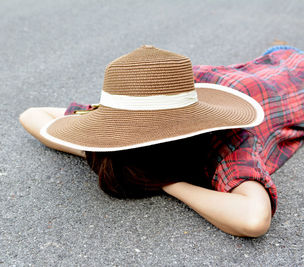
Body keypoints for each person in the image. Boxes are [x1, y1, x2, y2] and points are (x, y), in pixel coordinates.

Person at [19, 45, 304, 237]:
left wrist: (166, 182)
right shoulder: (146, 95)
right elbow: (33, 115)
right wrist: (108, 152)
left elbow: (254, 219)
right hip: (247, 71)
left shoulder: (226, 135)